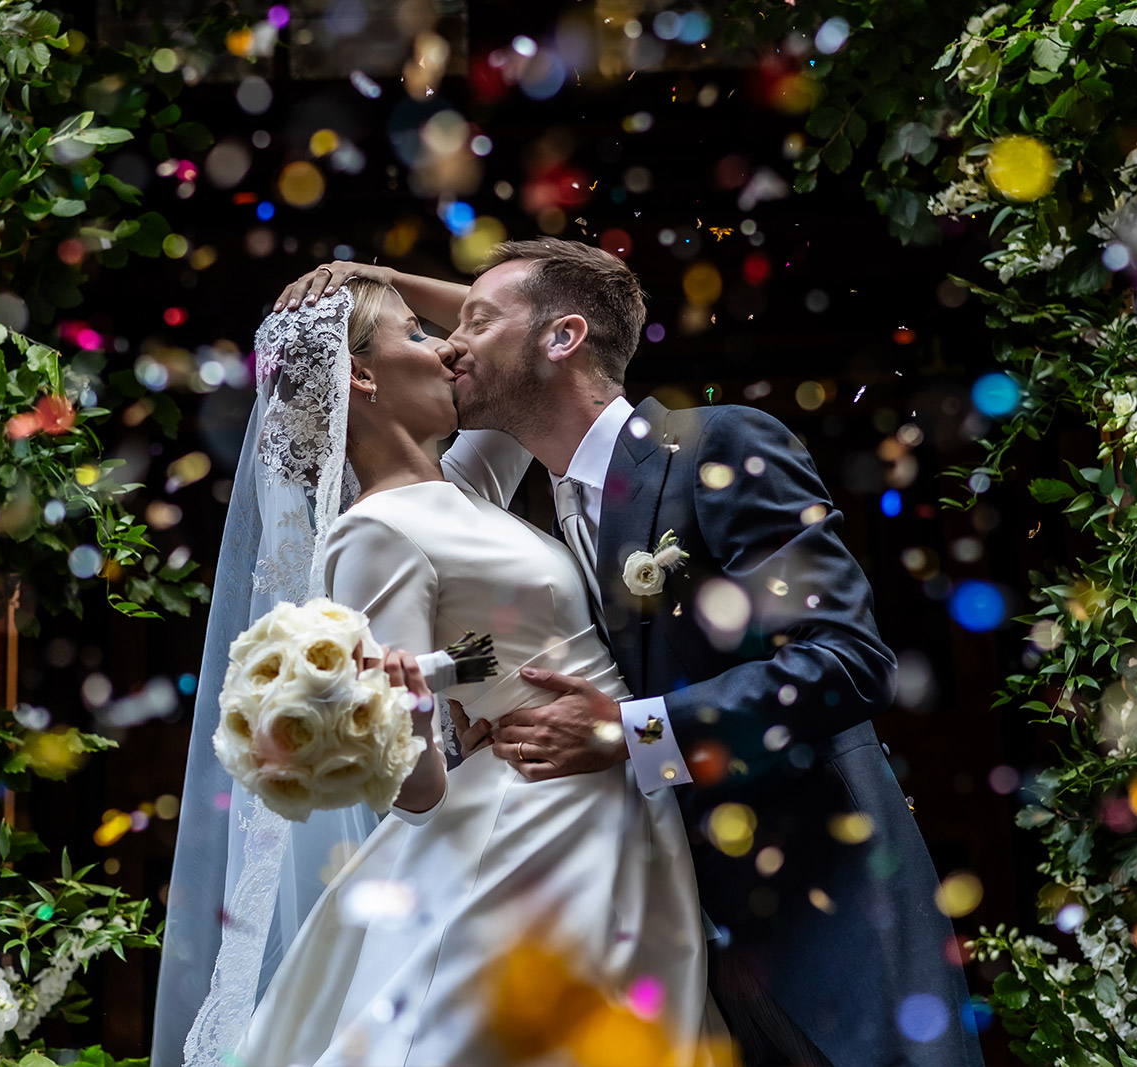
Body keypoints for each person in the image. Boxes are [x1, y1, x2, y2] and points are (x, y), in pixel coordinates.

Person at [272, 240, 981, 1067]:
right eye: (436, 330)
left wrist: (382, 283)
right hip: (629, 897)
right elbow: (505, 652)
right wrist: (449, 697)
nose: (451, 342)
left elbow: (849, 659)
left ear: (563, 338)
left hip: (813, 907)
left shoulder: (715, 448)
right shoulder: (516, 502)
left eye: (474, 323)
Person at [154, 271, 718, 1066]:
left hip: (611, 792)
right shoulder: (374, 532)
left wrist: (376, 277)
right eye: (419, 335)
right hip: (530, 827)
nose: (451, 345)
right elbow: (413, 796)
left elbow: (527, 327)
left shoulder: (468, 479)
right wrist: (417, 722)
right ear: (362, 373)